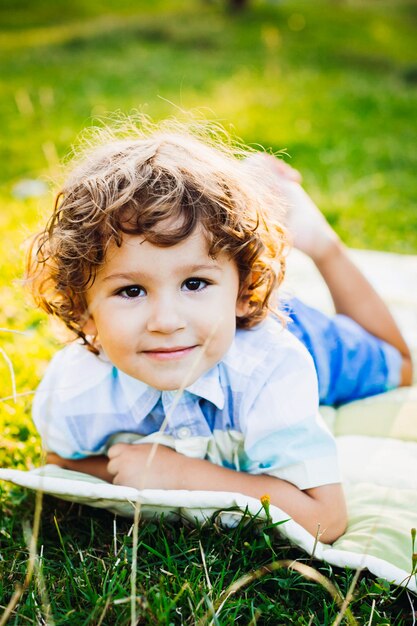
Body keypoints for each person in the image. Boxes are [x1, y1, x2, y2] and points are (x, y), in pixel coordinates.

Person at [27, 119, 412, 544]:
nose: (166, 320)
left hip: (294, 331)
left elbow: (326, 519)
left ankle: (317, 240)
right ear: (85, 314)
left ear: (245, 291)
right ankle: (250, 210)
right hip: (217, 323)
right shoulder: (76, 387)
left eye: (194, 283)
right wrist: (132, 468)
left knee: (402, 367)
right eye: (131, 290)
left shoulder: (275, 367)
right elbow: (60, 459)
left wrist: (181, 474)